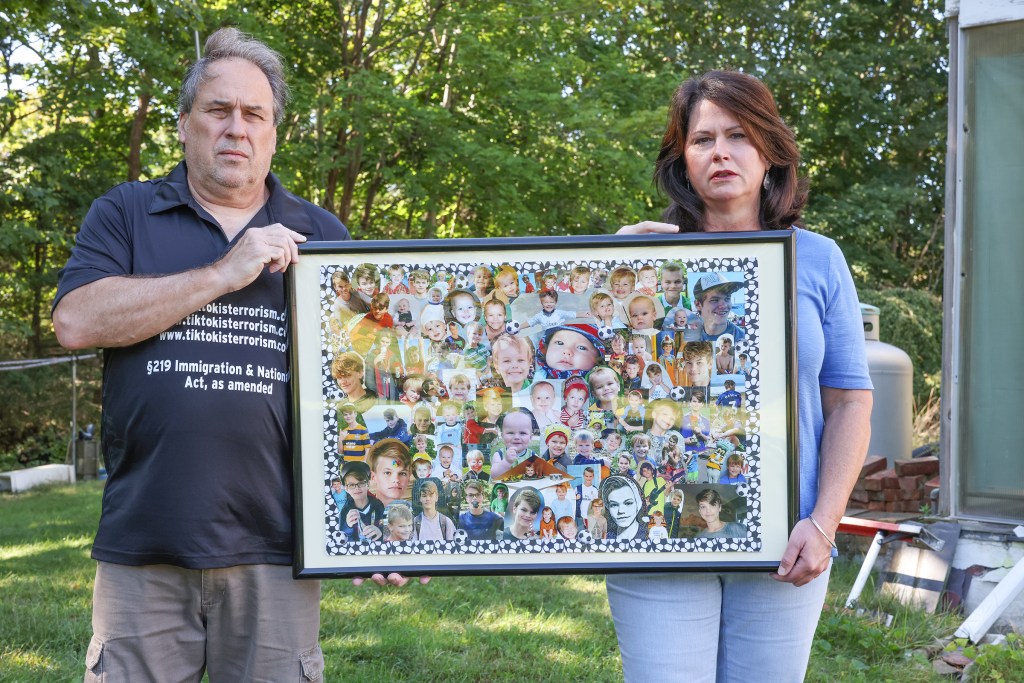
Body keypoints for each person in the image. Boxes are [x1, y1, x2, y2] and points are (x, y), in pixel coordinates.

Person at [50, 28, 364, 680]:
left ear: (275, 131)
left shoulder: (322, 233)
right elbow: (77, 321)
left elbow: (357, 390)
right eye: (218, 110)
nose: (236, 128)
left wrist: (373, 518)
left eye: (255, 114)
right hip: (145, 547)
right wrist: (227, 270)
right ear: (185, 124)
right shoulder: (128, 213)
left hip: (278, 550)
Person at [611, 69, 872, 681]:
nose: (721, 152)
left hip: (786, 542)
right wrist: (604, 273)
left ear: (770, 150)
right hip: (662, 541)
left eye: (739, 136)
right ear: (682, 157)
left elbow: (849, 402)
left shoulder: (819, 258)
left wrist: (824, 524)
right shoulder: (641, 261)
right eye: (702, 140)